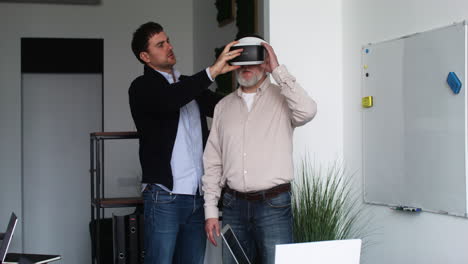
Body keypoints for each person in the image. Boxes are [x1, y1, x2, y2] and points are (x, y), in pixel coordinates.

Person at [128, 21, 242, 264]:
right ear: (145, 56)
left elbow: (224, 109)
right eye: (160, 44)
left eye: (168, 40)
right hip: (164, 197)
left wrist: (251, 78)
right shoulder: (141, 87)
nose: (169, 46)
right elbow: (170, 101)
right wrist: (212, 72)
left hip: (197, 197)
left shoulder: (190, 85)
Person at [202, 37, 317, 264]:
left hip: (273, 204)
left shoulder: (283, 99)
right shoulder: (223, 107)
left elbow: (308, 111)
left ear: (264, 62)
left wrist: (277, 70)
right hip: (233, 206)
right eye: (241, 60)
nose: (246, 67)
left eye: (253, 60)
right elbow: (213, 161)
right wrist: (211, 211)